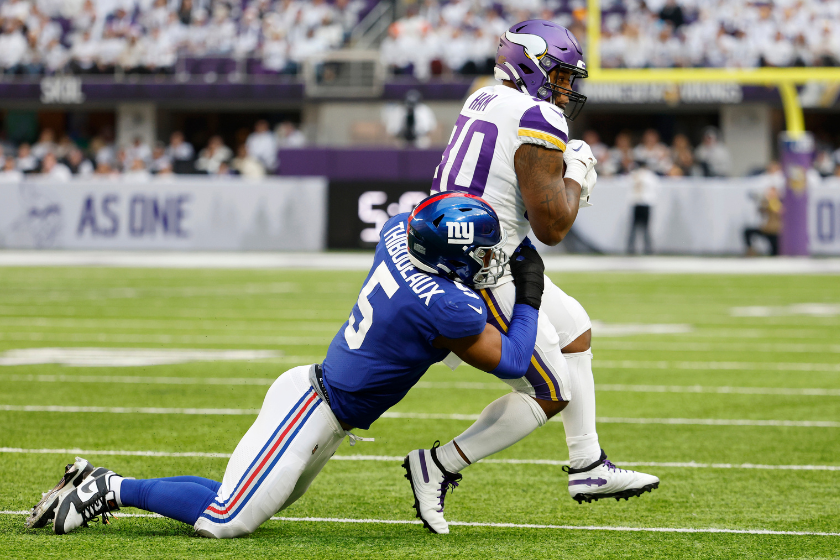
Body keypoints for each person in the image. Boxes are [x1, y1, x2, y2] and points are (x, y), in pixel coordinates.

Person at [29, 192, 545, 538]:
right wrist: (530, 290)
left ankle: (99, 478)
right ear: (446, 252)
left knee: (236, 498)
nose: (486, 260)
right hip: (314, 405)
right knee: (225, 519)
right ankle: (109, 488)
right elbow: (514, 359)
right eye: (478, 252)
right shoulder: (448, 305)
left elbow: (427, 230)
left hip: (324, 405)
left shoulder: (396, 234)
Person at [406, 20, 658, 534]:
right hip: (483, 263)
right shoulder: (538, 115)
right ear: (531, 64)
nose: (566, 88)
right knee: (551, 389)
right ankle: (439, 464)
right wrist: (579, 175)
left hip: (468, 242)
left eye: (569, 78)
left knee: (576, 331)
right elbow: (553, 227)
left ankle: (588, 465)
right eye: (560, 75)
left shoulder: (482, 97)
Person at [627, 162, 658, 254]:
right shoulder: (635, 175)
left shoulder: (649, 176)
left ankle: (647, 249)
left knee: (644, 228)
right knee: (636, 228)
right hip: (638, 203)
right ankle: (632, 248)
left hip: (644, 203)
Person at [744, 186, 782, 256]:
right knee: (747, 231)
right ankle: (750, 250)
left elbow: (779, 212)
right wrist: (762, 202)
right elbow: (761, 212)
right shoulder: (766, 202)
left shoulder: (779, 202)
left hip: (774, 231)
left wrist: (771, 203)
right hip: (766, 229)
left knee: (775, 252)